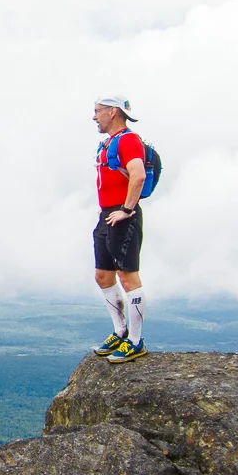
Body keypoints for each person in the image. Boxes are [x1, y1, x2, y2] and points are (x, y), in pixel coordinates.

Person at [91, 95, 147, 363]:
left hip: (123, 215)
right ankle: (120, 330)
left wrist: (126, 210)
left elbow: (138, 174)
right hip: (107, 215)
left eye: (97, 111)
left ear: (112, 112)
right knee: (103, 275)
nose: (94, 117)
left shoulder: (128, 140)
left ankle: (136, 341)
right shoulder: (109, 143)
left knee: (127, 276)